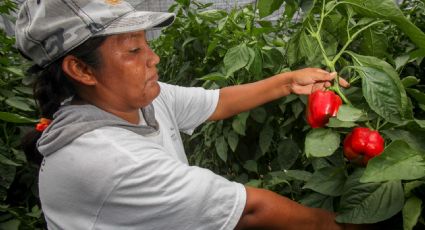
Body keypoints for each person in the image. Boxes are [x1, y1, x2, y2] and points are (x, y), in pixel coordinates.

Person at [16, 0, 359, 229]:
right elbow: (251, 210)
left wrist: (287, 82)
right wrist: (344, 223)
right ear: (81, 69)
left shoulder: (134, 101)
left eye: (145, 43)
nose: (153, 58)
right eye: (134, 50)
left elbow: (217, 101)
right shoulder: (110, 159)